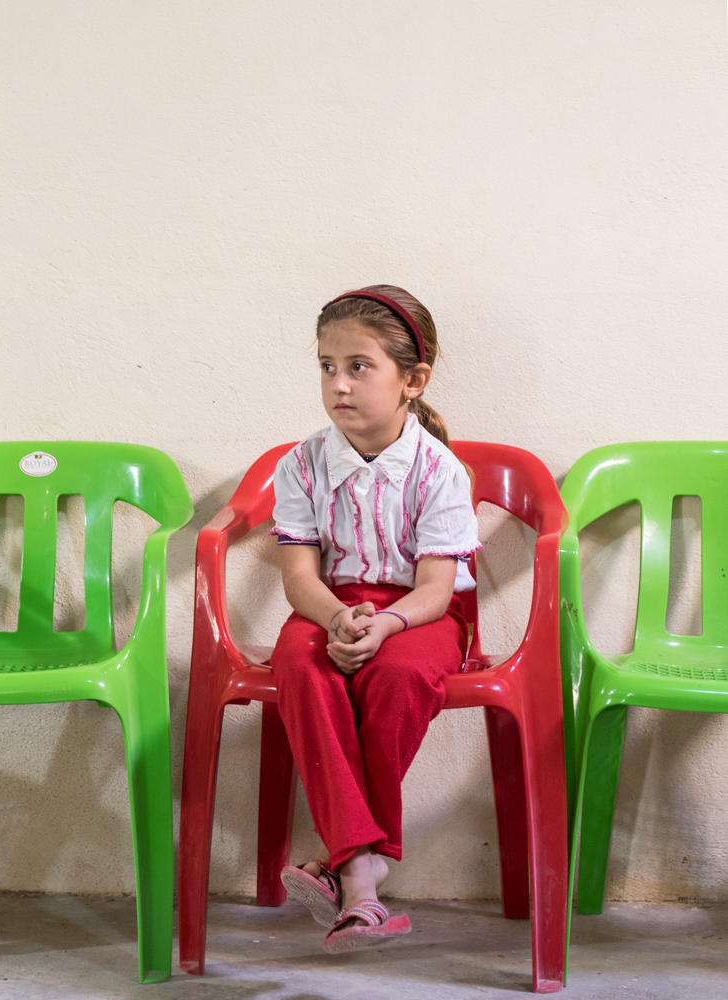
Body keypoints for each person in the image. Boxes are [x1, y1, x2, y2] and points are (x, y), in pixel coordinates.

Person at [268, 284, 480, 953]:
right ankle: (365, 876)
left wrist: (385, 626)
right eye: (328, 366)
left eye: (359, 366)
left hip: (418, 615)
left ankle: (345, 863)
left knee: (395, 679)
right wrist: (337, 619)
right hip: (331, 605)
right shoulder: (300, 464)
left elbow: (437, 590)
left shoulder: (438, 471)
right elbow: (300, 577)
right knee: (299, 667)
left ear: (412, 380)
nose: (339, 384)